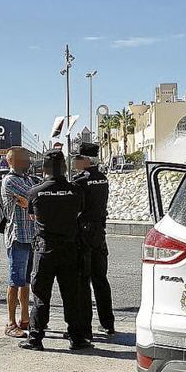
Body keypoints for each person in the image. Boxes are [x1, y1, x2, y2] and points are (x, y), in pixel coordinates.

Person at [19, 149, 89, 351]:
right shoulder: (76, 191)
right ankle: (77, 338)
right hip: (69, 248)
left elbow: (32, 217)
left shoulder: (35, 192)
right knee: (71, 295)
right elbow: (79, 212)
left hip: (45, 249)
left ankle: (35, 338)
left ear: (44, 169)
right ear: (65, 167)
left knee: (41, 296)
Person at [72, 143, 116, 339]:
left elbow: (76, 209)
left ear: (87, 160)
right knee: (101, 280)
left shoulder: (80, 182)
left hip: (83, 236)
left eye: (78, 158)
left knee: (83, 282)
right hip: (100, 234)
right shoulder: (103, 179)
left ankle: (85, 328)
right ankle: (108, 324)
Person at [1, 147, 36, 338]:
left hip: (31, 236)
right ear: (12, 161)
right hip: (18, 237)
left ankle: (25, 319)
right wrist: (28, 200)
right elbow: (34, 196)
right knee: (15, 281)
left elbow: (30, 199)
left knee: (26, 281)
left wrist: (28, 201)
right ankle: (10, 323)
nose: (28, 162)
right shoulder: (11, 180)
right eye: (24, 159)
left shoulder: (27, 179)